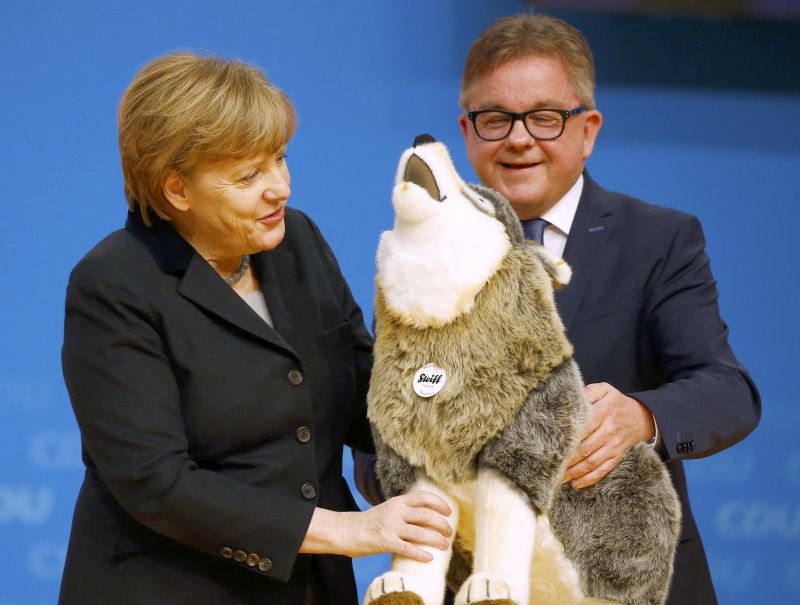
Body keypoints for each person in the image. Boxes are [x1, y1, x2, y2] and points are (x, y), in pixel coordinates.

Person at [357, 13, 760, 605]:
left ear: (588, 129)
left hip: (621, 577)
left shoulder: (658, 239)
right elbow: (381, 432)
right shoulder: (417, 259)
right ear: (466, 133)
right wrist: (413, 474)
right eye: (495, 119)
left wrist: (640, 418)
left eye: (545, 117)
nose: (519, 139)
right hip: (470, 585)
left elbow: (728, 392)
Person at [58, 52, 452, 605]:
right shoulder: (114, 285)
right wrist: (346, 529)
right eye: (250, 175)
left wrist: (452, 382)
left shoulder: (298, 241)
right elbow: (156, 483)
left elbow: (372, 392)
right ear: (177, 189)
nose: (281, 187)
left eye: (281, 159)